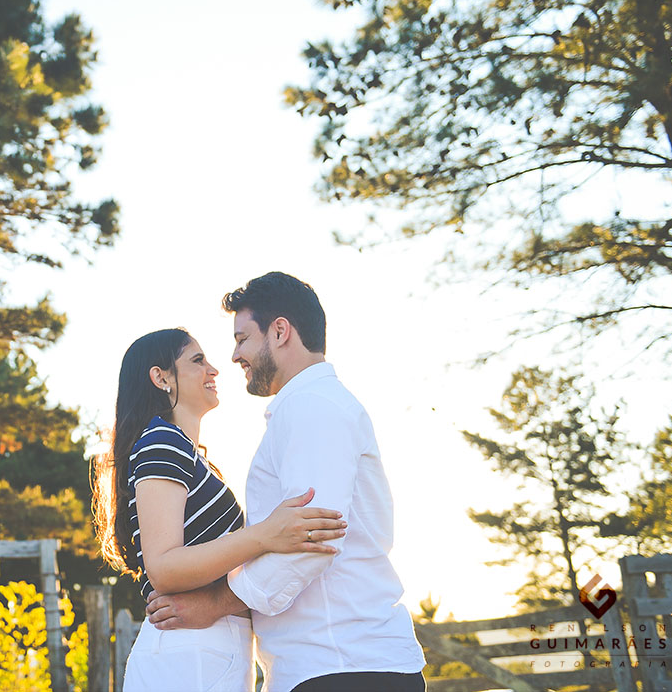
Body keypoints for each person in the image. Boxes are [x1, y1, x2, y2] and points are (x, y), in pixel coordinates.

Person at [145, 273, 427, 692]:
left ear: (280, 331)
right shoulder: (309, 407)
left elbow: (311, 541)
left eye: (242, 338)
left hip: (343, 667)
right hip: (333, 667)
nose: (235, 355)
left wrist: (217, 604)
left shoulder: (311, 407)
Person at [91, 327, 347, 692]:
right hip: (190, 650)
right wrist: (264, 535)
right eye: (198, 361)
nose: (214, 369)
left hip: (209, 647)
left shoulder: (183, 451)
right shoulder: (162, 441)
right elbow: (162, 567)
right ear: (160, 377)